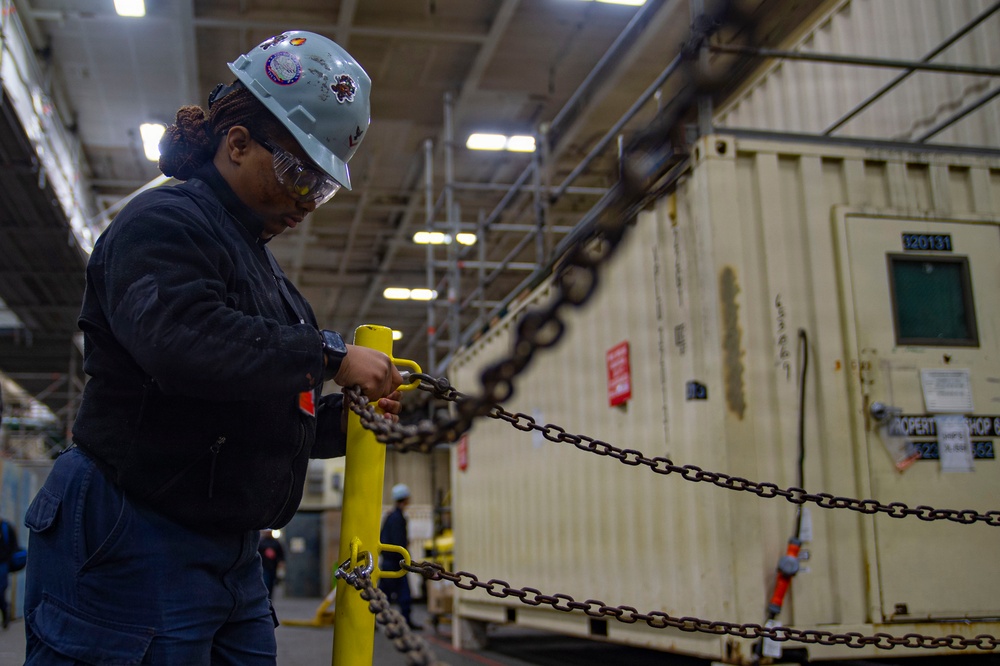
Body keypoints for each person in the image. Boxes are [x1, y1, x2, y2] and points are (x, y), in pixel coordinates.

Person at [22, 31, 404, 665]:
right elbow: (182, 343)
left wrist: (345, 422)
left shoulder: (257, 266)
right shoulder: (163, 222)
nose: (307, 200)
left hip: (228, 551)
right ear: (236, 143)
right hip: (135, 529)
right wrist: (332, 357)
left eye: (322, 186)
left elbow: (243, 402)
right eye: (296, 171)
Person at [379, 483, 422, 630]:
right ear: (406, 498)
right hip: (396, 562)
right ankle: (406, 620)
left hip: (388, 562)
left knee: (384, 595)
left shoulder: (390, 516)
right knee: (404, 593)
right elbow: (398, 541)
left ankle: (373, 622)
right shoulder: (398, 518)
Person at [0, 517, 21, 629]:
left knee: (1, 590)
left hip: (3, 564)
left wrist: (8, 560)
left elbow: (14, 546)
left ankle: (5, 612)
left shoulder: (6, 527)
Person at [258, 529, 285, 599]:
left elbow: (280, 555)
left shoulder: (275, 543)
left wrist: (280, 563)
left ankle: (269, 598)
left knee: (271, 584)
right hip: (264, 567)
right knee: (266, 582)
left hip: (273, 567)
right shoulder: (261, 542)